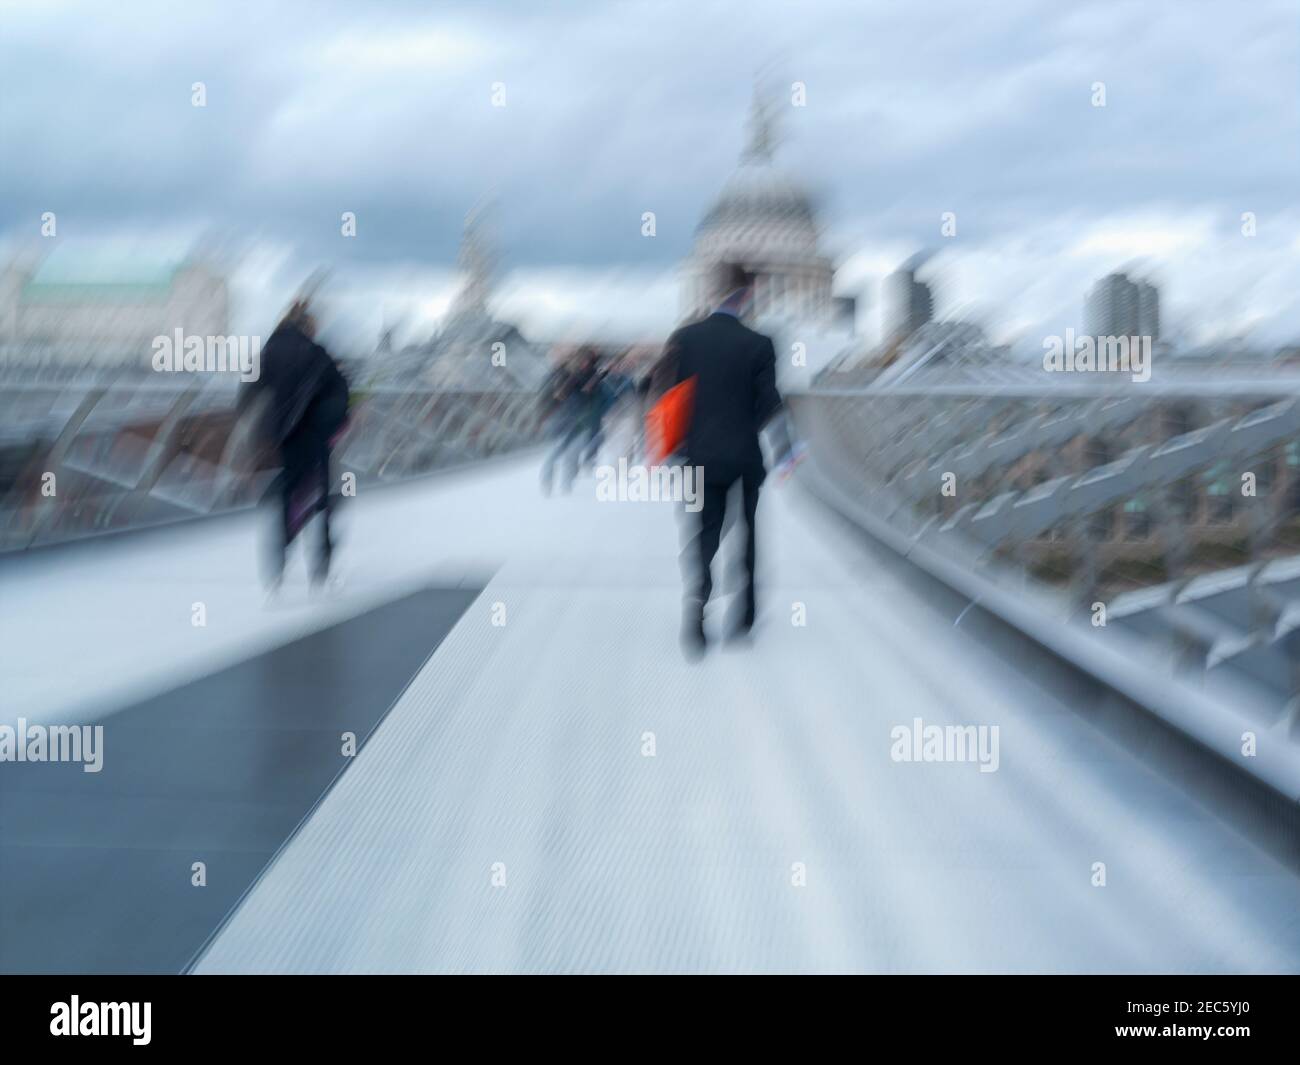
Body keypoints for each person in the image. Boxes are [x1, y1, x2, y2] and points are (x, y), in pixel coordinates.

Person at [653, 265, 795, 658]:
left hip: (699, 458)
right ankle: (744, 617)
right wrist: (785, 450)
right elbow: (769, 403)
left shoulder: (686, 339)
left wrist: (670, 452)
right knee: (748, 534)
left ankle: (696, 614)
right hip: (744, 459)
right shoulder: (761, 344)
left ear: (715, 291)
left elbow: (669, 399)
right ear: (746, 296)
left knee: (703, 534)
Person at [238, 299, 349, 592]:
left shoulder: (269, 350)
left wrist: (254, 424)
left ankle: (277, 564)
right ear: (307, 326)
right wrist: (336, 422)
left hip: (286, 436)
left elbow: (248, 388)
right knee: (321, 494)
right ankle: (321, 565)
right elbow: (340, 389)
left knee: (288, 493)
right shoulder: (316, 352)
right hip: (316, 436)